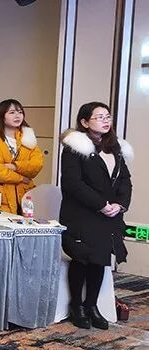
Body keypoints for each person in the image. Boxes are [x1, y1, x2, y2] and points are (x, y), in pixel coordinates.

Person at [59, 102, 133, 330]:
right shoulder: (75, 147)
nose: (105, 120)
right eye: (99, 117)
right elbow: (73, 183)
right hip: (82, 213)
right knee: (82, 258)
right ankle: (76, 306)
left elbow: (125, 181)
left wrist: (120, 205)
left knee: (100, 260)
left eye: (107, 116)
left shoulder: (115, 148)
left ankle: (91, 305)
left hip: (109, 215)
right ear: (84, 122)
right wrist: (101, 205)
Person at [0, 99, 43, 214]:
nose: (17, 116)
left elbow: (36, 165)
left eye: (20, 112)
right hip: (0, 198)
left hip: (25, 197)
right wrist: (21, 178)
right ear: (1, 116)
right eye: (12, 112)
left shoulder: (28, 139)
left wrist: (14, 166)